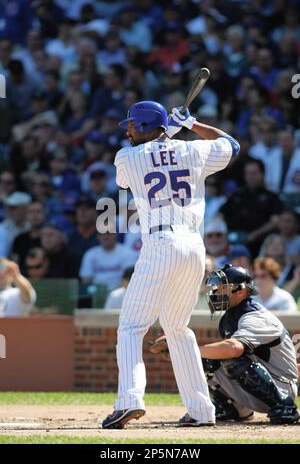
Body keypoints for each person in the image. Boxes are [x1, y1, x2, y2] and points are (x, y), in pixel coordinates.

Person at [102, 100, 240, 429]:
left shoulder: (127, 157)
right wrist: (191, 124)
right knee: (178, 329)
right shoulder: (193, 151)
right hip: (194, 246)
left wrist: (170, 136)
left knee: (132, 327)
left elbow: (126, 180)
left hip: (161, 243)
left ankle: (129, 400)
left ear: (150, 126)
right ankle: (202, 411)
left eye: (135, 125)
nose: (129, 130)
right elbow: (232, 145)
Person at [149, 264, 299, 425]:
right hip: (262, 382)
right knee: (206, 359)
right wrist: (181, 351)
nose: (216, 292)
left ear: (240, 290)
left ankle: (285, 407)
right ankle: (234, 409)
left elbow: (234, 349)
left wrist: (188, 350)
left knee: (231, 357)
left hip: (282, 387)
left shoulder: (256, 317)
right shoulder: (230, 318)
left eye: (222, 287)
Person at [220, 158, 283, 257]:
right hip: (233, 242)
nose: (251, 177)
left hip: (260, 244)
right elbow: (220, 215)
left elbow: (275, 221)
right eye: (248, 173)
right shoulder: (236, 195)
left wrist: (255, 234)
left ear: (262, 174)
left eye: (254, 173)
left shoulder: (272, 197)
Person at [12, 200, 46, 270]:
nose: (35, 215)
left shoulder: (52, 239)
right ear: (26, 215)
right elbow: (15, 267)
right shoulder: (19, 239)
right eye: (31, 212)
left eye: (38, 211)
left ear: (44, 214)